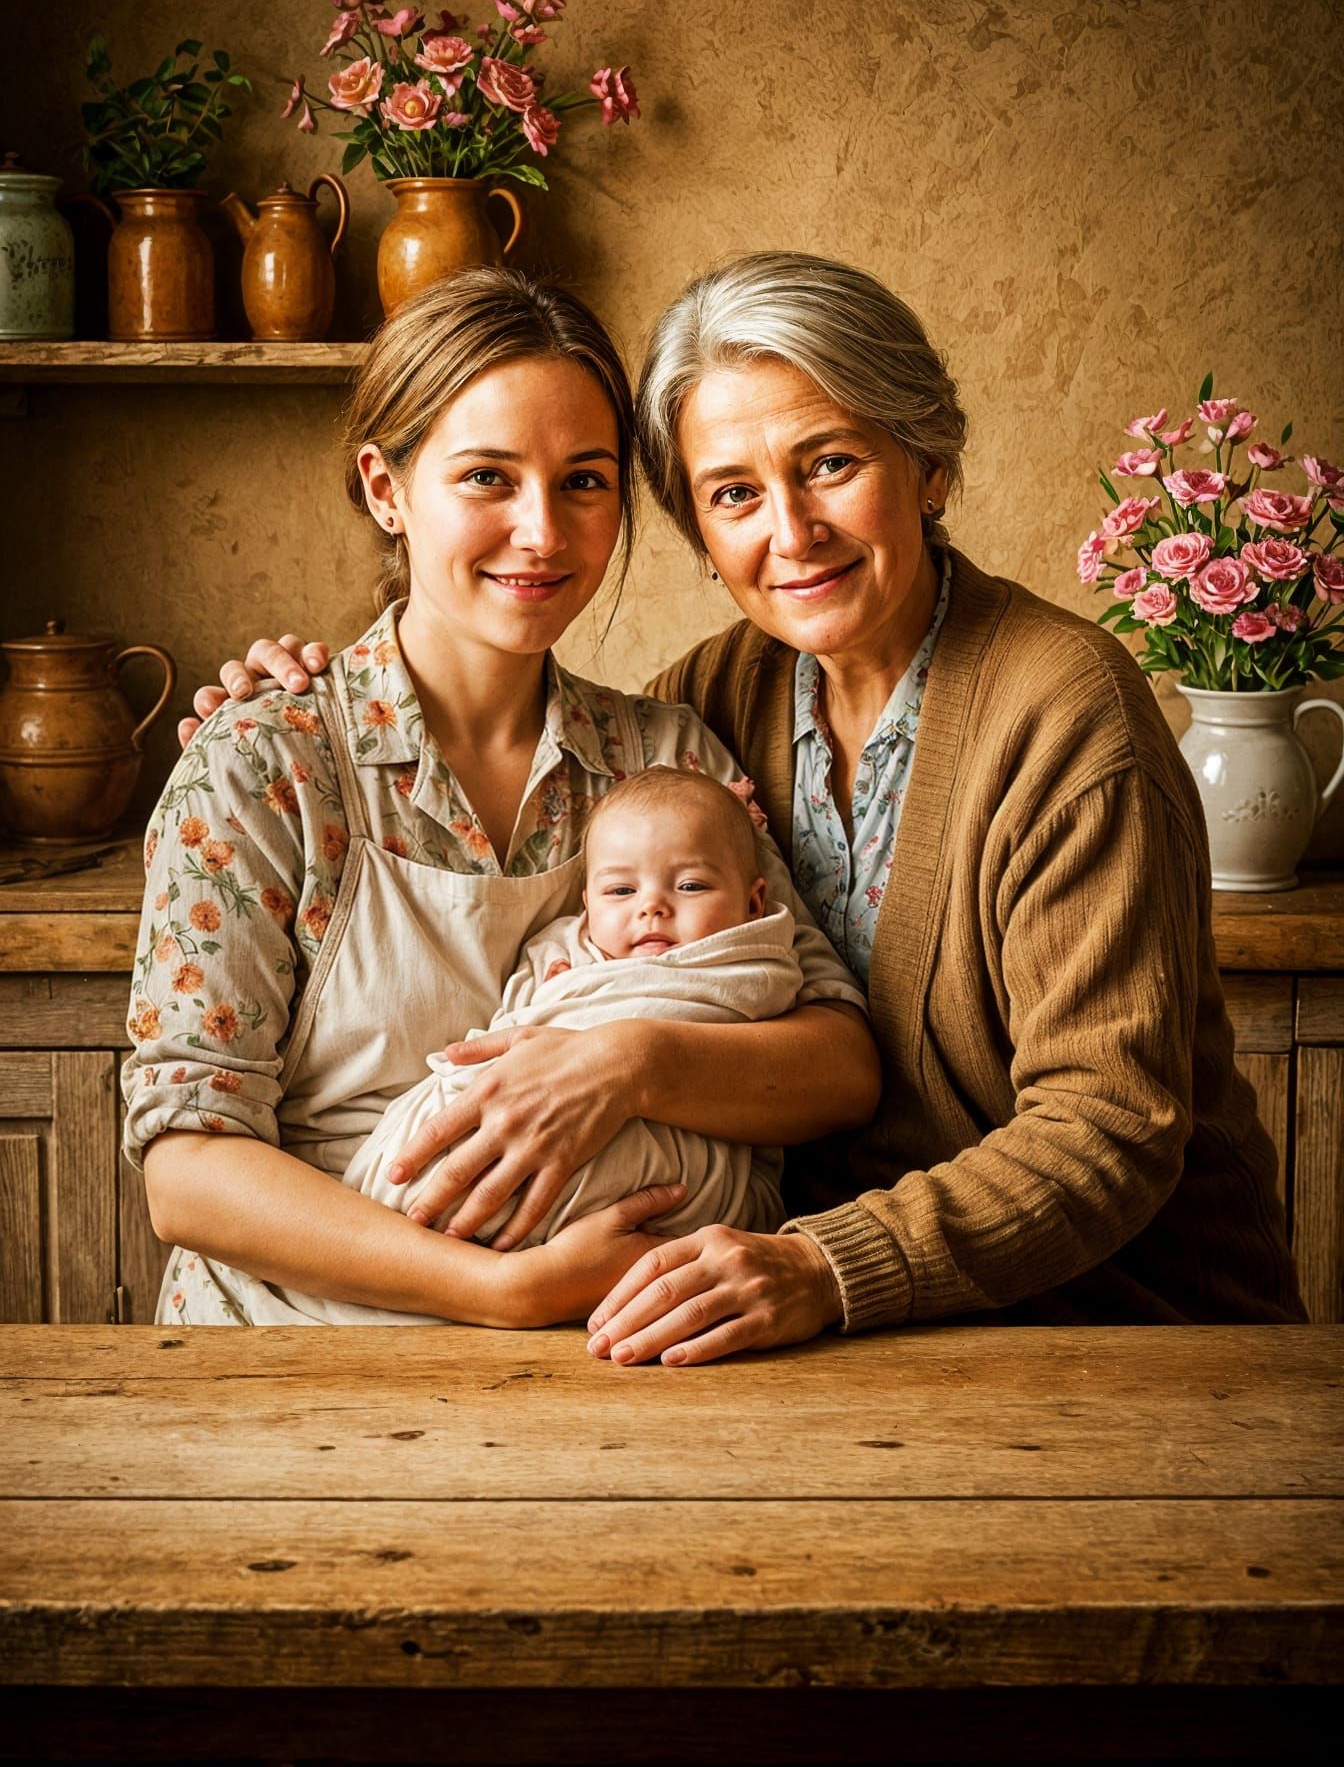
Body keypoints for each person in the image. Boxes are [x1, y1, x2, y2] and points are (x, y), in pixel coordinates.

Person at [192, 251, 1305, 1360]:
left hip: (1113, 1327)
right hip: (807, 1330)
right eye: (733, 493)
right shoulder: (710, 705)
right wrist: (286, 701)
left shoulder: (1067, 717)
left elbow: (1108, 1128)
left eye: (829, 464)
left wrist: (823, 1261)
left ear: (929, 463)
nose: (791, 531)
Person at [126, 268, 876, 1327]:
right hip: (290, 1361)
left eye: (584, 480)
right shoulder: (266, 767)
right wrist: (498, 1289)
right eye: (488, 477)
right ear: (388, 490)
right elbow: (188, 1168)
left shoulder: (659, 753)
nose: (543, 532)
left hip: (606, 1357)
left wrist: (625, 1064)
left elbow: (839, 1065)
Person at [343, 765, 799, 1280]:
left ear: (753, 902)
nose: (651, 906)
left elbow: (784, 1036)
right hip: (522, 1100)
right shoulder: (563, 948)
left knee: (682, 1181)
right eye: (620, 892)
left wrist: (610, 1038)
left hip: (673, 1138)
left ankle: (502, 1227)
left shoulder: (747, 964)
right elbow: (514, 1020)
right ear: (586, 905)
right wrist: (559, 992)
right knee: (448, 1113)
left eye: (691, 885)